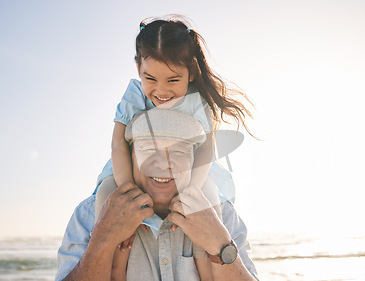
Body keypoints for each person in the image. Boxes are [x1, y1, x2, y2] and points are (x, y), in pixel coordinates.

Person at [93, 14, 254, 280]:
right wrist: (127, 191)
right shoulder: (134, 94)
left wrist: (192, 189)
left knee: (209, 205)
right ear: (138, 69)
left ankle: (207, 266)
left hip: (194, 171)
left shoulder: (197, 101)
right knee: (107, 202)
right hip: (124, 168)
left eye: (172, 80)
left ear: (190, 73)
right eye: (151, 79)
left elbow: (205, 149)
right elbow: (118, 144)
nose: (161, 90)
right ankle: (116, 262)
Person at [56, 108, 259, 281]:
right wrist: (102, 240)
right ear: (130, 157)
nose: (163, 163)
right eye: (148, 148)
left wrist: (221, 245)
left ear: (193, 161)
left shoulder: (223, 216)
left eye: (179, 151)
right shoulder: (89, 214)